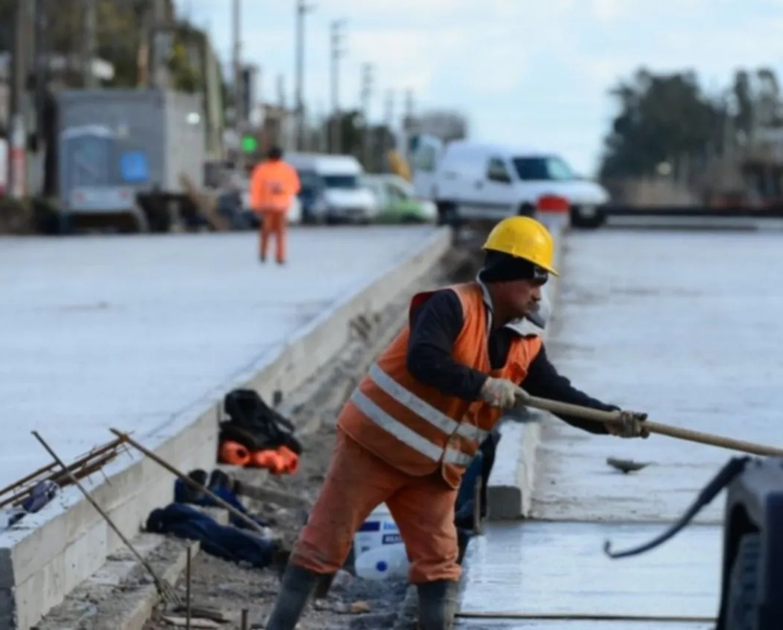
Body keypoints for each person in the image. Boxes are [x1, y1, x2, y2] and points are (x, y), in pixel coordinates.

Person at [265, 216, 650, 630]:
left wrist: (611, 420)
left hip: (434, 470)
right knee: (321, 547)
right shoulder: (450, 305)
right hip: (373, 449)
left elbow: (560, 395)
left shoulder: (524, 344)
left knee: (440, 566)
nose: (539, 294)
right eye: (534, 282)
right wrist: (484, 386)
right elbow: (425, 359)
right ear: (506, 276)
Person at [247, 147, 300, 265]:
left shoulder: (261, 169)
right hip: (280, 206)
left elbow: (255, 188)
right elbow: (295, 187)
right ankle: (279, 256)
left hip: (267, 206)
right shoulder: (288, 170)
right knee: (280, 233)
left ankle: (263, 254)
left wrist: (255, 204)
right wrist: (283, 191)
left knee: (266, 232)